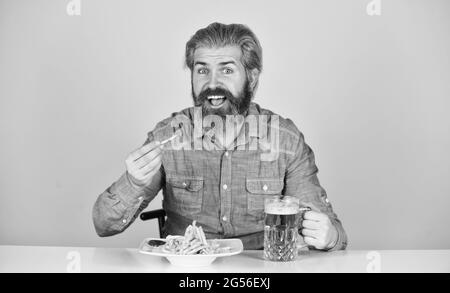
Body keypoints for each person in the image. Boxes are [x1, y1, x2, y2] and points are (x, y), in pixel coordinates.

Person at [92, 22, 348, 250]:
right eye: (202, 70)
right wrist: (133, 182)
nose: (212, 83)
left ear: (252, 76)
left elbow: (335, 233)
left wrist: (330, 237)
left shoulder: (286, 140)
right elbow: (104, 225)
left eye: (226, 70)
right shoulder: (168, 135)